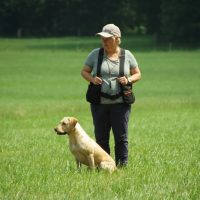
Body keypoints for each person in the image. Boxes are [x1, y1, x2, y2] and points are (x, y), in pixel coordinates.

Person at [81, 24, 141, 167]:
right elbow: (84, 71)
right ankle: (104, 165)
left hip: (121, 104)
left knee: (121, 138)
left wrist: (128, 80)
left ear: (117, 39)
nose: (104, 41)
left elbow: (138, 74)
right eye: (102, 38)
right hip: (99, 104)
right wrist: (92, 79)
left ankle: (122, 166)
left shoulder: (127, 55)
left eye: (107, 38)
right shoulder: (95, 54)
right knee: (101, 138)